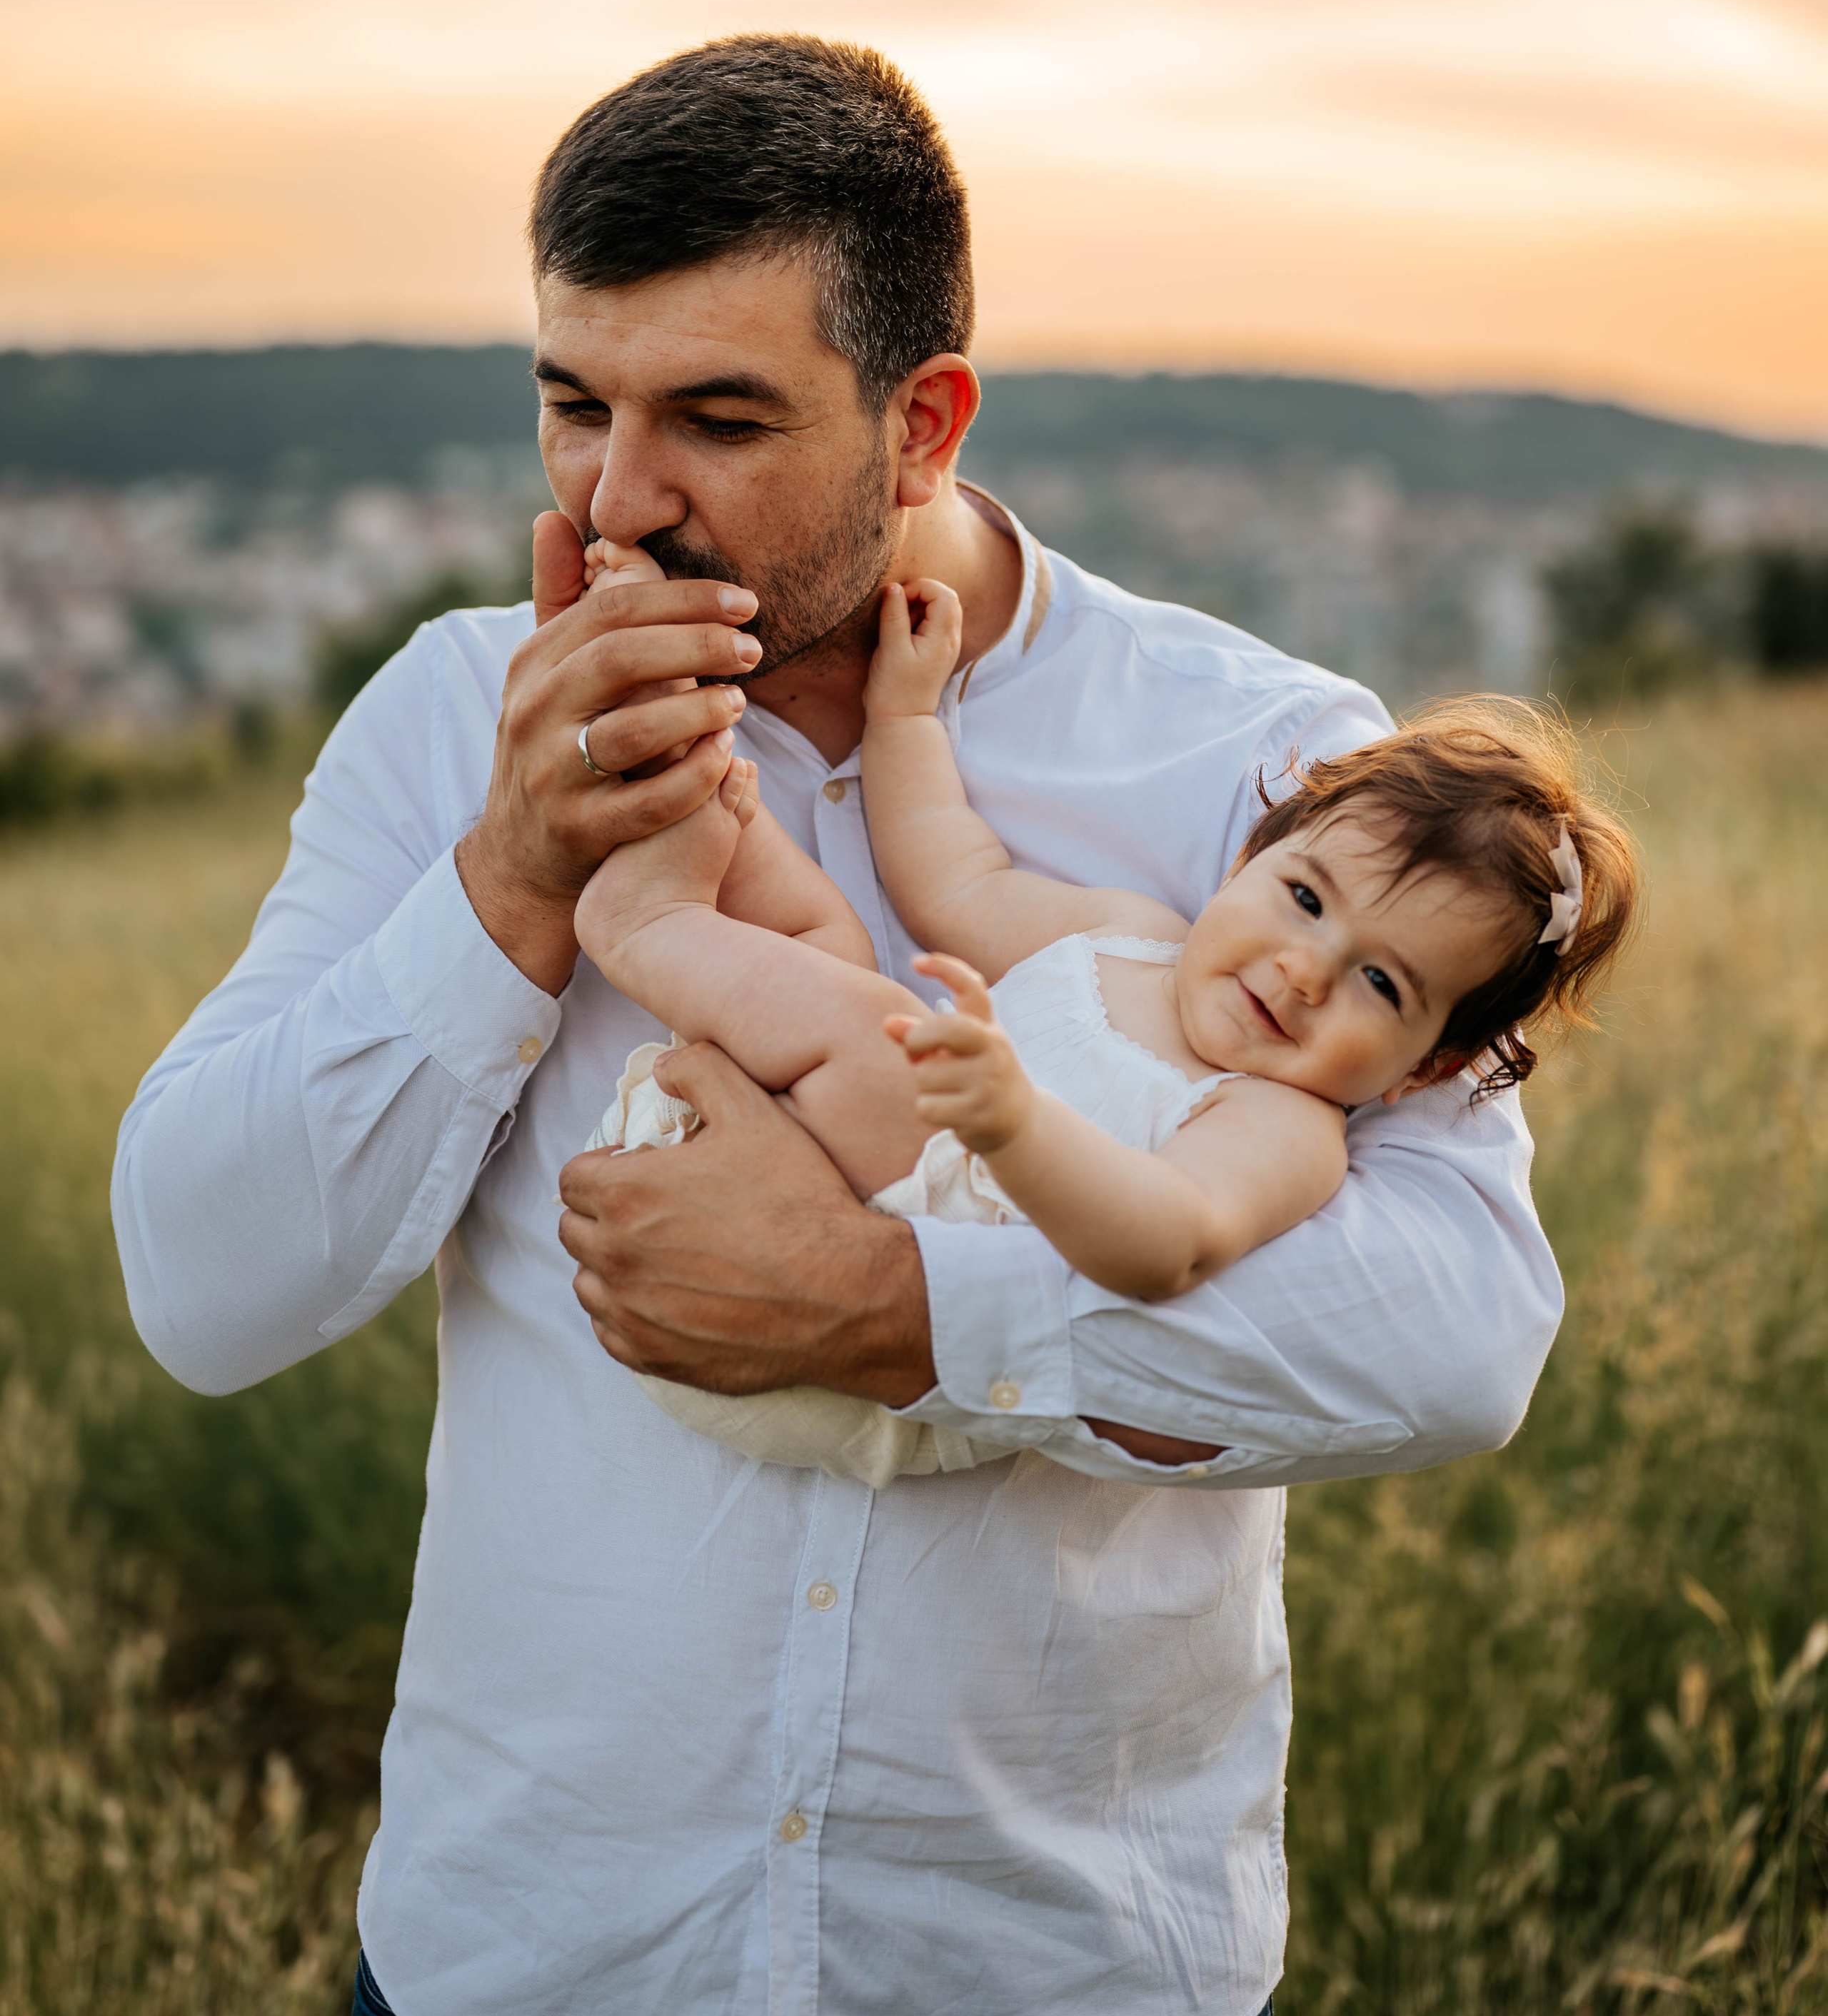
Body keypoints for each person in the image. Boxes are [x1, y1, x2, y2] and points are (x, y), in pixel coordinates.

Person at [114, 35, 1566, 2016]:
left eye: (716, 417)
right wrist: (515, 876)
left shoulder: (1268, 772)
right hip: (533, 1990)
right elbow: (202, 1287)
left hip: (1050, 2005)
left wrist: (908, 1311)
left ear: (925, 421)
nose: (620, 496)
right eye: (571, 405)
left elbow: (1457, 1333)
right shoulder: (453, 721)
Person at [578, 603, 1637, 1488]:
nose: (1306, 971)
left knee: (867, 1027)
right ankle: (708, 789)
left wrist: (1016, 1125)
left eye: (1380, 982)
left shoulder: (1283, 1125)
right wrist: (902, 713)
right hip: (724, 1192)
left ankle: (643, 923)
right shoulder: (1129, 935)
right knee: (843, 951)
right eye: (1306, 898)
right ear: (1247, 858)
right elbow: (952, 876)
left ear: (1428, 1067)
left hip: (850, 1343)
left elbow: (1162, 1242)